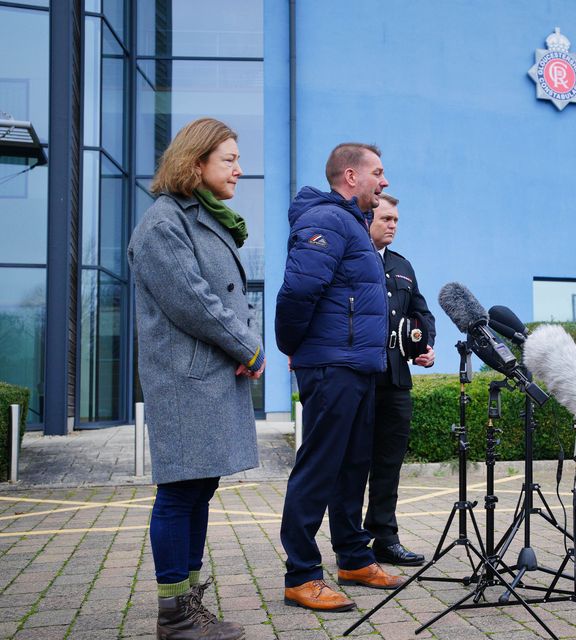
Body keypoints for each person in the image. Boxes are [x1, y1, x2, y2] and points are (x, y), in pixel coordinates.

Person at [128, 117, 264, 639]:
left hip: (208, 376)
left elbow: (223, 297)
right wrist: (248, 346)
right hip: (185, 380)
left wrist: (244, 347)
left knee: (199, 487)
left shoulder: (199, 215)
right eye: (229, 159)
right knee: (180, 492)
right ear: (196, 162)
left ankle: (188, 602)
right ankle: (173, 615)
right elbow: (196, 303)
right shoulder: (165, 224)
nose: (239, 169)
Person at [275, 143, 402, 613]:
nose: (384, 182)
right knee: (320, 467)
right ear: (350, 176)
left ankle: (352, 558)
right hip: (332, 365)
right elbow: (298, 291)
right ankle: (302, 575)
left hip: (357, 365)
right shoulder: (326, 218)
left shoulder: (351, 223)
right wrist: (295, 347)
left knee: (353, 468)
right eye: (378, 173)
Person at [363, 193, 436, 566]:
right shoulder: (354, 259)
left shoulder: (402, 265)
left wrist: (427, 346)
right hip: (360, 377)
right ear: (367, 218)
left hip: (396, 378)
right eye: (386, 218)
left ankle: (384, 537)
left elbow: (423, 315)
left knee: (389, 463)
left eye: (396, 220)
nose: (393, 225)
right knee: (354, 462)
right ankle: (352, 541)